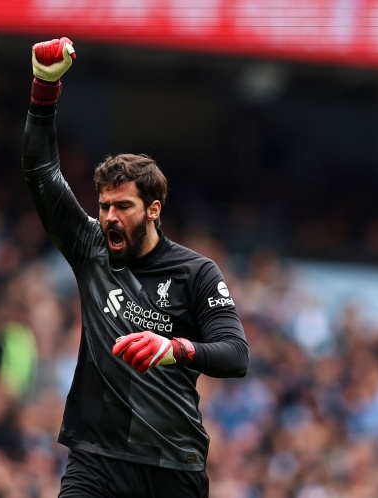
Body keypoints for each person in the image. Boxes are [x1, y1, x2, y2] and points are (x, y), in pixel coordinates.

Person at [21, 37, 250, 498]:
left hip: (171, 464)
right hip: (95, 459)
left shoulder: (196, 273)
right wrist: (44, 91)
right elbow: (43, 173)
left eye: (122, 206)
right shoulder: (90, 247)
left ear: (153, 210)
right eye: (104, 206)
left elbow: (235, 355)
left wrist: (175, 349)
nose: (109, 217)